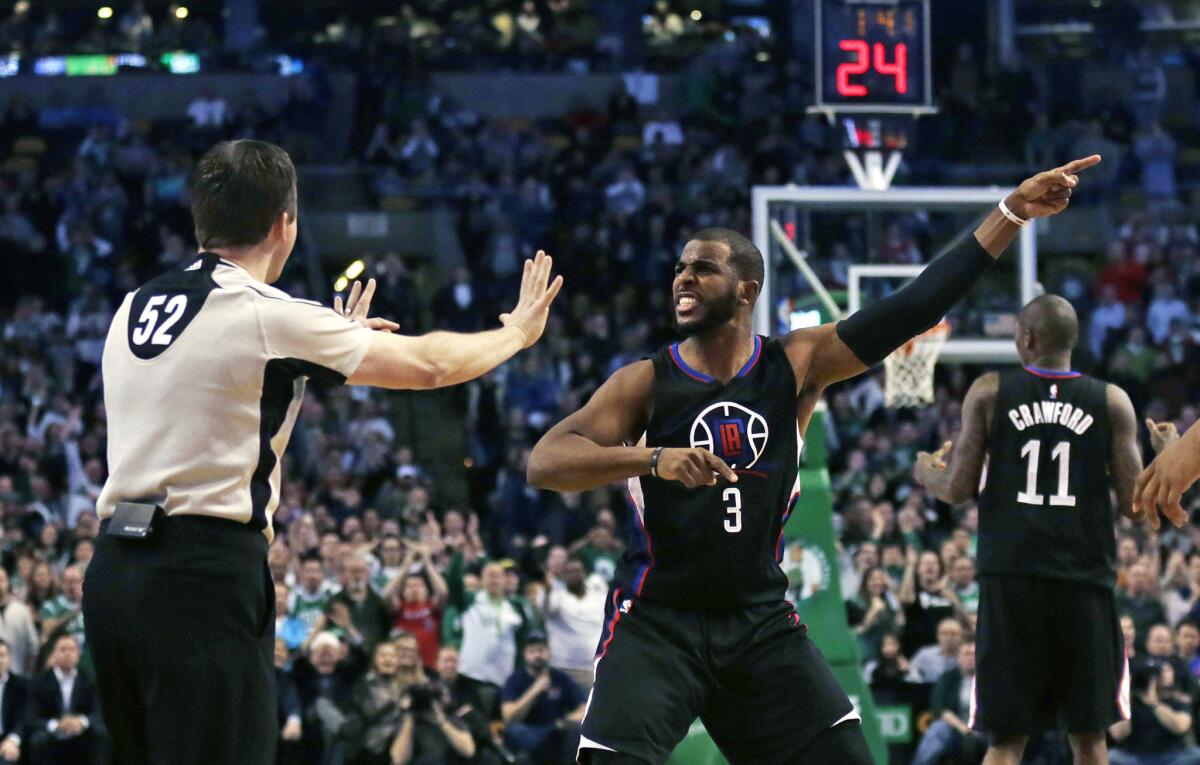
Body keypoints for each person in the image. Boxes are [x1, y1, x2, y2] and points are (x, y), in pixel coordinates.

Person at [528, 157, 1099, 765]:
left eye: (703, 268)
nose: (683, 279)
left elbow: (914, 307)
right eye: (680, 268)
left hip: (757, 623)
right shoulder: (645, 381)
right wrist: (652, 458)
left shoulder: (796, 363)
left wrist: (1010, 213)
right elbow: (546, 462)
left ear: (747, 291)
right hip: (655, 621)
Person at [81, 139, 563, 765]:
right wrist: (516, 333)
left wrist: (331, 340)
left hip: (114, 573)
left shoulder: (133, 306)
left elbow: (214, 384)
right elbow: (431, 365)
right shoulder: (267, 312)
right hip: (201, 575)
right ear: (285, 225)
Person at [912, 292, 1180, 765]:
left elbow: (956, 489)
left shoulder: (990, 390)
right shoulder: (1112, 400)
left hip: (1011, 579)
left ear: (1027, 337)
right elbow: (1136, 509)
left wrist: (924, 472)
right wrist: (1166, 455)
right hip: (1084, 581)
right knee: (1090, 739)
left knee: (1005, 741)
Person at [500, 632, 585, 764]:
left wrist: (565, 721)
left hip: (556, 730)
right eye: (532, 651)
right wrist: (535, 690)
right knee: (514, 732)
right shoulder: (515, 680)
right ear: (524, 655)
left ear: (549, 652)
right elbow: (508, 717)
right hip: (529, 731)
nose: (537, 655)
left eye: (541, 650)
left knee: (576, 731)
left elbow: (583, 708)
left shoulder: (560, 678)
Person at [28, 634, 104, 765]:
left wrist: (81, 722)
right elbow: (31, 717)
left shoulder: (89, 680)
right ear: (54, 654)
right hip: (52, 732)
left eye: (72, 649)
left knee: (101, 734)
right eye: (63, 649)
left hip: (80, 731)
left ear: (78, 655)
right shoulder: (39, 682)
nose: (67, 653)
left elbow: (98, 711)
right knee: (38, 740)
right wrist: (56, 725)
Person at [1108, 664, 1200, 765]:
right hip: (1134, 755)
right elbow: (1117, 734)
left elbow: (1181, 727)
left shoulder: (1178, 700)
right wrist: (1127, 698)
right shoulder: (1129, 703)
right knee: (1111, 756)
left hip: (1173, 755)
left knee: (1196, 755)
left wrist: (1154, 704)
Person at [910, 641, 985, 765]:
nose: (970, 658)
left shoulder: (989, 678)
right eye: (966, 654)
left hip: (984, 729)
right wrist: (964, 728)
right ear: (958, 657)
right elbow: (939, 707)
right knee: (938, 729)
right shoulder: (948, 677)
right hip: (956, 730)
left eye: (974, 654)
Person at [541, 556, 606, 691]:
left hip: (590, 668)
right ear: (563, 576)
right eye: (569, 572)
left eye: (576, 571)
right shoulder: (555, 596)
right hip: (561, 666)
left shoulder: (598, 597)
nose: (573, 575)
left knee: (590, 710)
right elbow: (545, 611)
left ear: (584, 573)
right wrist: (547, 590)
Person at [0, 640, 28, 763]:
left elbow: (23, 718)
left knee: (8, 758)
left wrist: (12, 740)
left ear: (9, 658)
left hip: (8, 739)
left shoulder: (20, 685)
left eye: (2, 655)